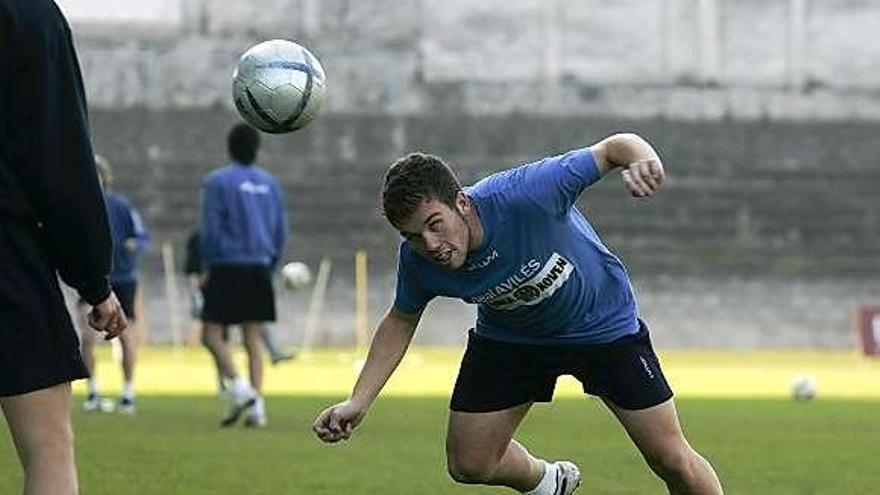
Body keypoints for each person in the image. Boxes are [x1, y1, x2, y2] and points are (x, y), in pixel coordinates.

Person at [313, 134, 724, 495]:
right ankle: (548, 482)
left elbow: (615, 147)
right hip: (512, 340)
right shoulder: (419, 260)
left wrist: (643, 158)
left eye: (435, 224)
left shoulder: (528, 192)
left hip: (603, 328)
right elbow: (400, 319)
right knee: (469, 463)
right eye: (413, 235)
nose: (431, 243)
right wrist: (359, 401)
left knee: (671, 459)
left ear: (461, 202)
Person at [0, 1, 128, 494]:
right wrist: (94, 280)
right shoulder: (29, 15)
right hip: (5, 256)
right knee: (47, 448)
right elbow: (59, 160)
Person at [199, 123, 286, 428]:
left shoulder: (217, 182)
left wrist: (206, 265)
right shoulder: (270, 184)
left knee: (210, 334)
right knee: (252, 338)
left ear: (229, 148)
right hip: (260, 265)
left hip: (226, 264)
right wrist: (270, 261)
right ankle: (257, 408)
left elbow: (210, 228)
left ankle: (240, 388)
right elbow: (280, 229)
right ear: (256, 150)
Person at [77, 155, 149, 414]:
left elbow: (142, 236)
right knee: (88, 337)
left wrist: (134, 245)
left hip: (123, 278)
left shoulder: (121, 205)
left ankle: (128, 392)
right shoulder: (81, 206)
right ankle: (93, 390)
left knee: (125, 336)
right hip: (93, 278)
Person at [184, 229, 294, 398]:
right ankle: (246, 394)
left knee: (220, 336)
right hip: (238, 278)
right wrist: (196, 295)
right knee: (243, 337)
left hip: (226, 283)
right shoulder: (203, 238)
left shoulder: (214, 233)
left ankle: (240, 387)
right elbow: (193, 270)